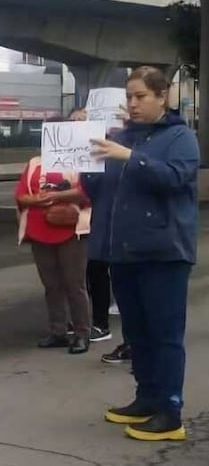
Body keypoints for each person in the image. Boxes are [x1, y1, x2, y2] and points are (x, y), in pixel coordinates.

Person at [83, 66, 200, 441]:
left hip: (163, 252)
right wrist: (86, 159)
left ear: (162, 97)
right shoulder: (121, 137)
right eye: (129, 97)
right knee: (137, 332)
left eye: (140, 96)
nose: (133, 104)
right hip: (123, 250)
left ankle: (170, 411)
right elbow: (97, 190)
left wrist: (130, 156)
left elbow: (175, 178)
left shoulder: (180, 137)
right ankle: (146, 397)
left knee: (164, 333)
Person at [14, 117, 92, 354]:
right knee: (51, 284)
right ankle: (58, 330)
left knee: (74, 284)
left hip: (70, 230)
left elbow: (87, 193)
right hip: (39, 229)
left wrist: (56, 196)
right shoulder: (35, 163)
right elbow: (20, 195)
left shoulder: (81, 161)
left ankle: (82, 333)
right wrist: (36, 199)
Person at [69, 107, 119, 348]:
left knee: (103, 271)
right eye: (74, 121)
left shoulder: (112, 151)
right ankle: (87, 321)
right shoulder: (64, 153)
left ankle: (102, 323)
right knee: (87, 272)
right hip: (83, 221)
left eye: (84, 121)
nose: (79, 125)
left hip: (107, 220)